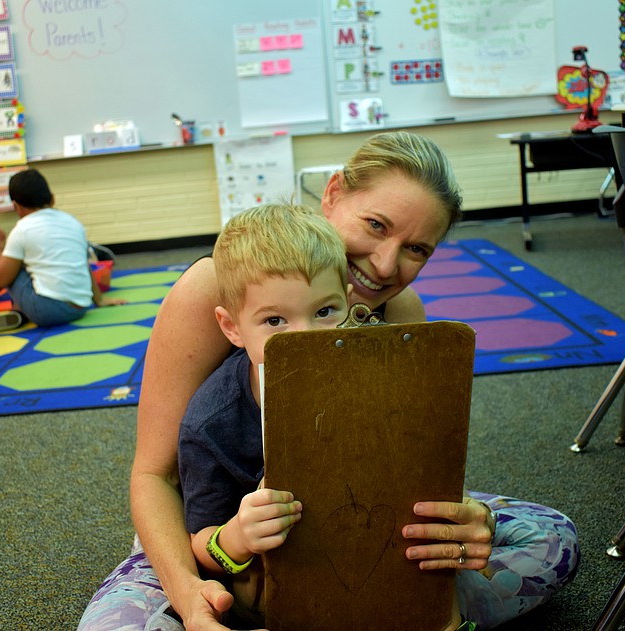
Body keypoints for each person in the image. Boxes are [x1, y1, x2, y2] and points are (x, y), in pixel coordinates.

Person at [78, 131, 580, 631]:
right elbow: (155, 477)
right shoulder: (217, 288)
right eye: (376, 225)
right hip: (210, 537)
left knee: (554, 539)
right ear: (334, 194)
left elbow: (410, 464)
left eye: (417, 250)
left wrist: (468, 524)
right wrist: (191, 598)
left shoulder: (401, 314)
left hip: (357, 524)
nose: (385, 265)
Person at [178, 202, 359, 627]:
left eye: (325, 312)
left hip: (356, 545)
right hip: (259, 574)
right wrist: (240, 536)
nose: (305, 340)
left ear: (349, 304)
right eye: (275, 320)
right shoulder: (210, 423)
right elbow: (200, 542)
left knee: (543, 544)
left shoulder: (374, 376)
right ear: (232, 328)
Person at [0, 168, 125, 334]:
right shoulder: (73, 222)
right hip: (81, 306)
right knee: (30, 261)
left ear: (16, 206)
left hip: (48, 311)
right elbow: (84, 265)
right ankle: (18, 314)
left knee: (9, 265)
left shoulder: (23, 229)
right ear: (52, 199)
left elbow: (1, 278)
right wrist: (99, 299)